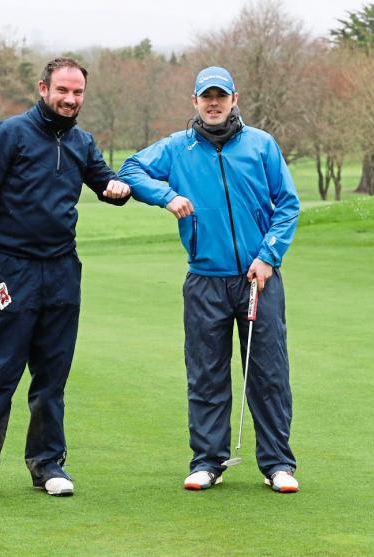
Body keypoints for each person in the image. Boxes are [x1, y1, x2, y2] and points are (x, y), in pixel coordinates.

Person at [118, 67, 301, 493]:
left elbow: (287, 204)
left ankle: (278, 465)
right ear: (195, 102)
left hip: (258, 278)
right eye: (206, 97)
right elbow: (130, 170)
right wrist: (167, 196)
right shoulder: (178, 148)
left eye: (221, 96)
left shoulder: (261, 145)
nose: (214, 103)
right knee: (206, 373)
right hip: (205, 279)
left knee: (269, 373)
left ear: (235, 98)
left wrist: (269, 256)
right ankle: (207, 461)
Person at [0, 57, 130, 502]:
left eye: (78, 93)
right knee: (0, 373)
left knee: (52, 376)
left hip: (61, 271)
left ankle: (47, 464)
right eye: (63, 91)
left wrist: (117, 188)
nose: (71, 100)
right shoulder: (10, 134)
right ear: (43, 88)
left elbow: (104, 182)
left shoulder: (82, 141)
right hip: (11, 270)